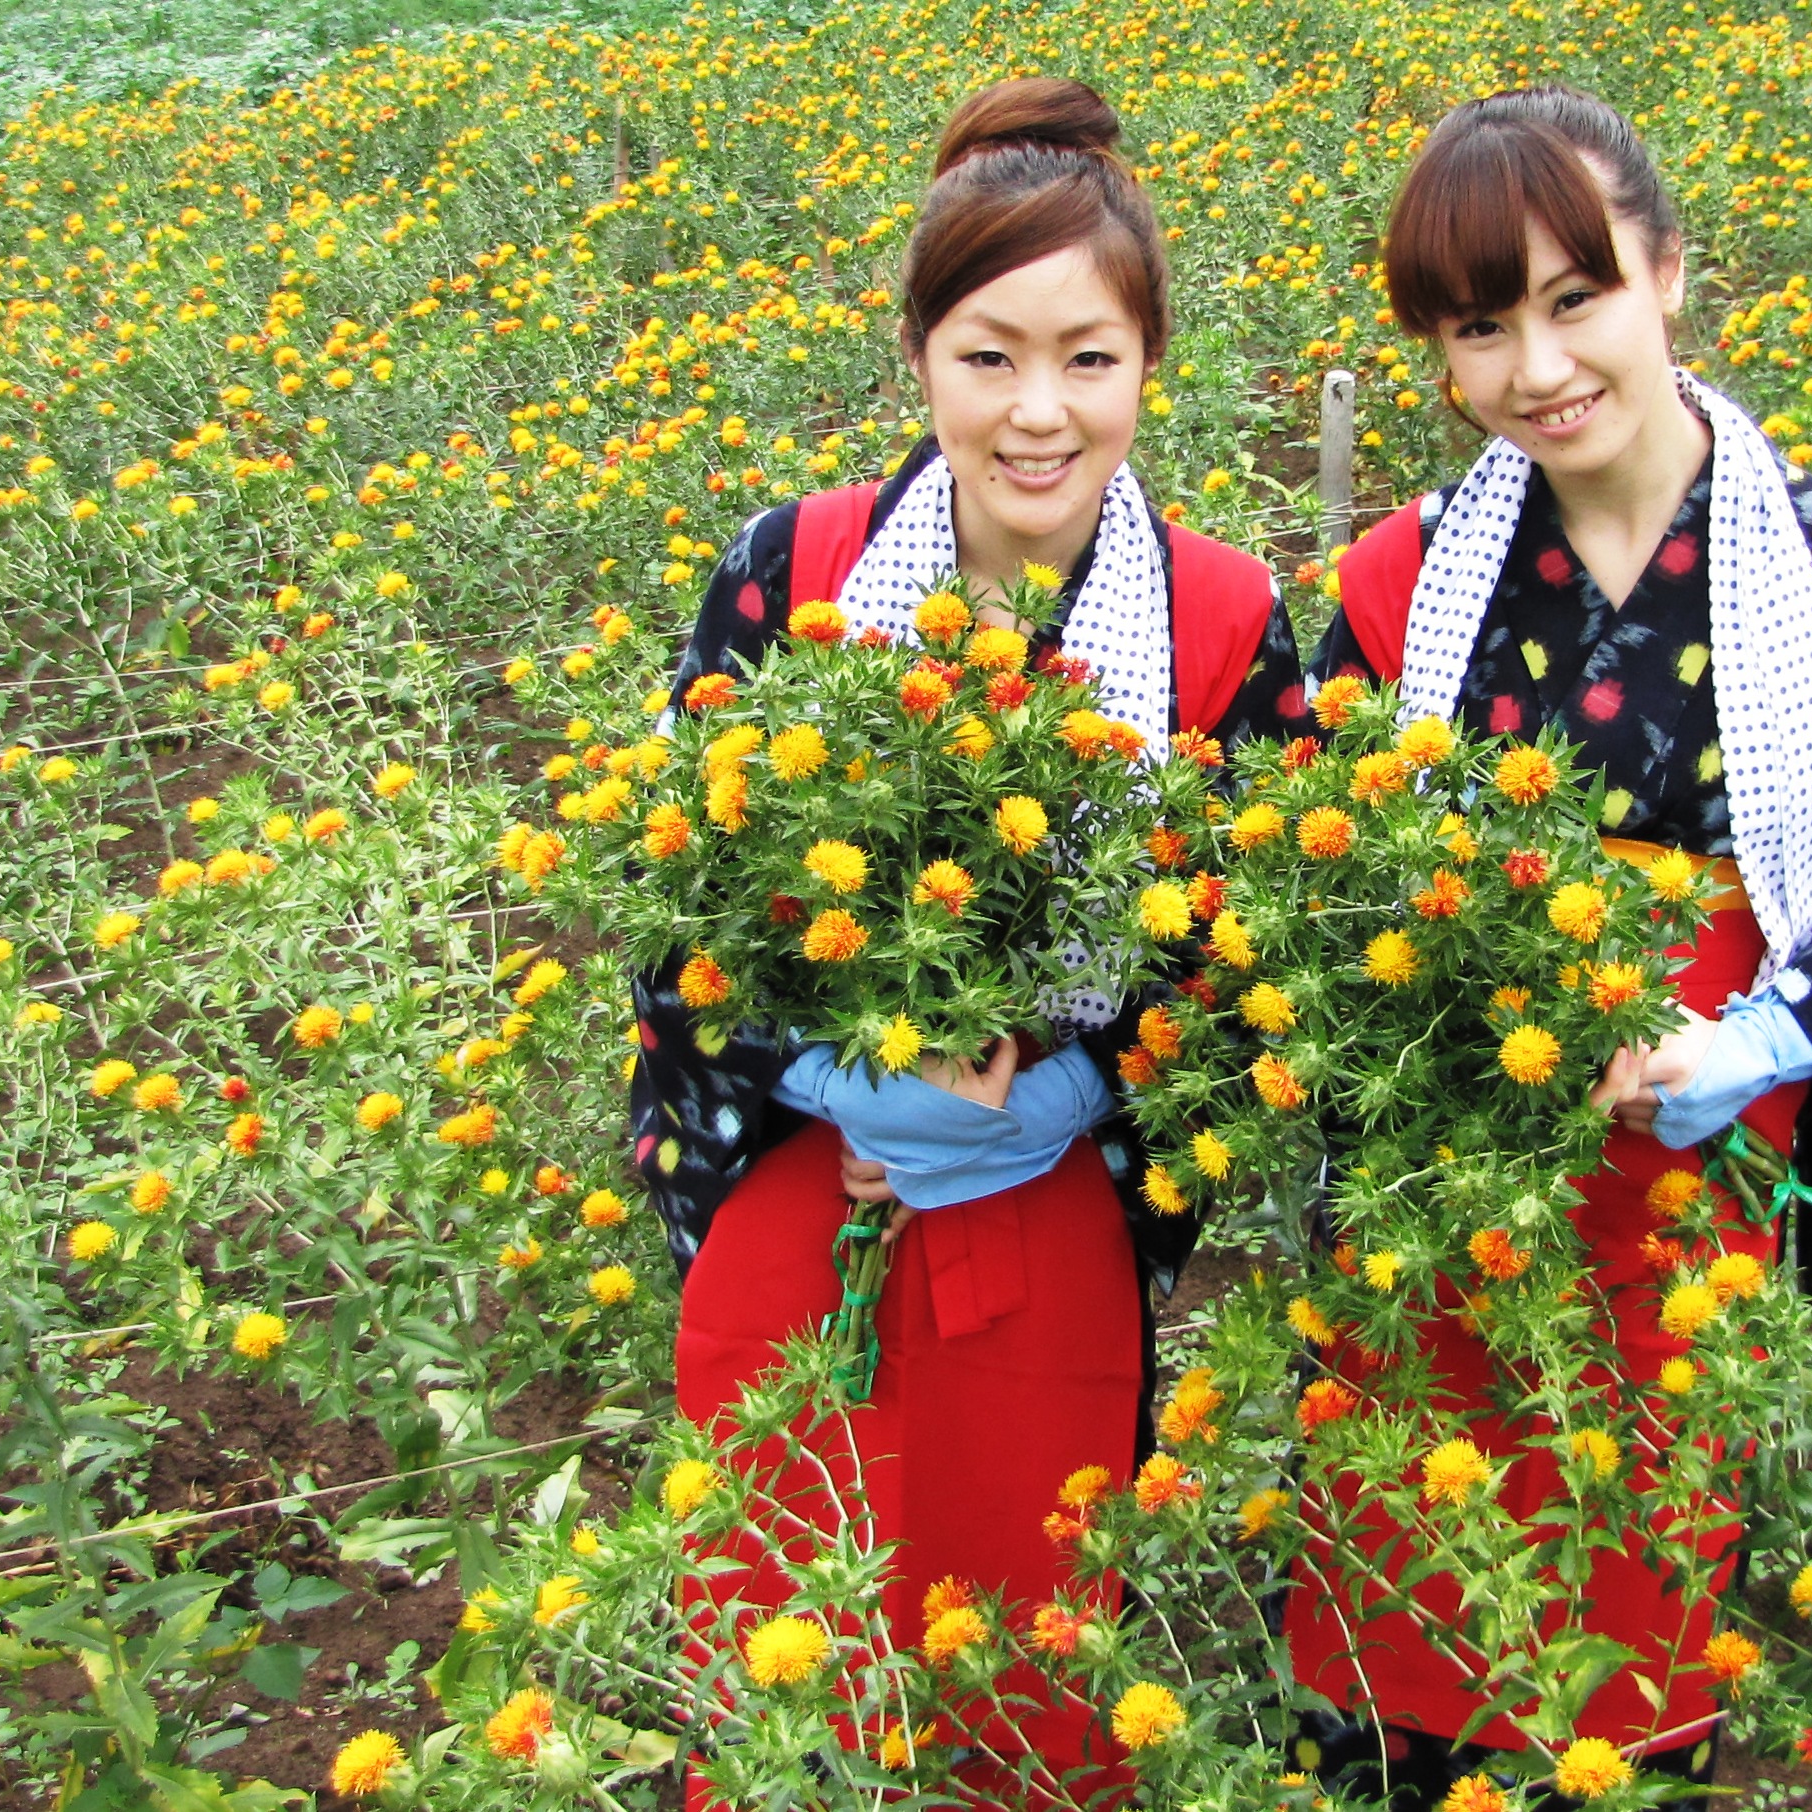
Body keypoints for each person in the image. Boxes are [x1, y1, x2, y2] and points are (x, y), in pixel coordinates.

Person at [1284, 84, 1812, 1805]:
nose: (1535, 366)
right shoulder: (1401, 587)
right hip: (1442, 1186)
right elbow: (1301, 908)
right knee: (1399, 1615)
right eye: (1479, 328)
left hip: (1691, 1185)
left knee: (1618, 1654)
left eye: (1573, 297)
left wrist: (1761, 1042)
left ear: (1667, 275)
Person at [632, 77, 1312, 1807]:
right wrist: (849, 1077)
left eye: (1088, 357)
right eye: (986, 354)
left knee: (1023, 1637)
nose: (1037, 412)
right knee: (791, 1638)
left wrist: (1065, 1095)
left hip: (1059, 1209)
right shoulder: (795, 573)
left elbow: (1253, 973)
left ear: (1150, 362)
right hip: (812, 1194)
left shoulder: (1227, 621)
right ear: (917, 357)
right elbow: (679, 903)